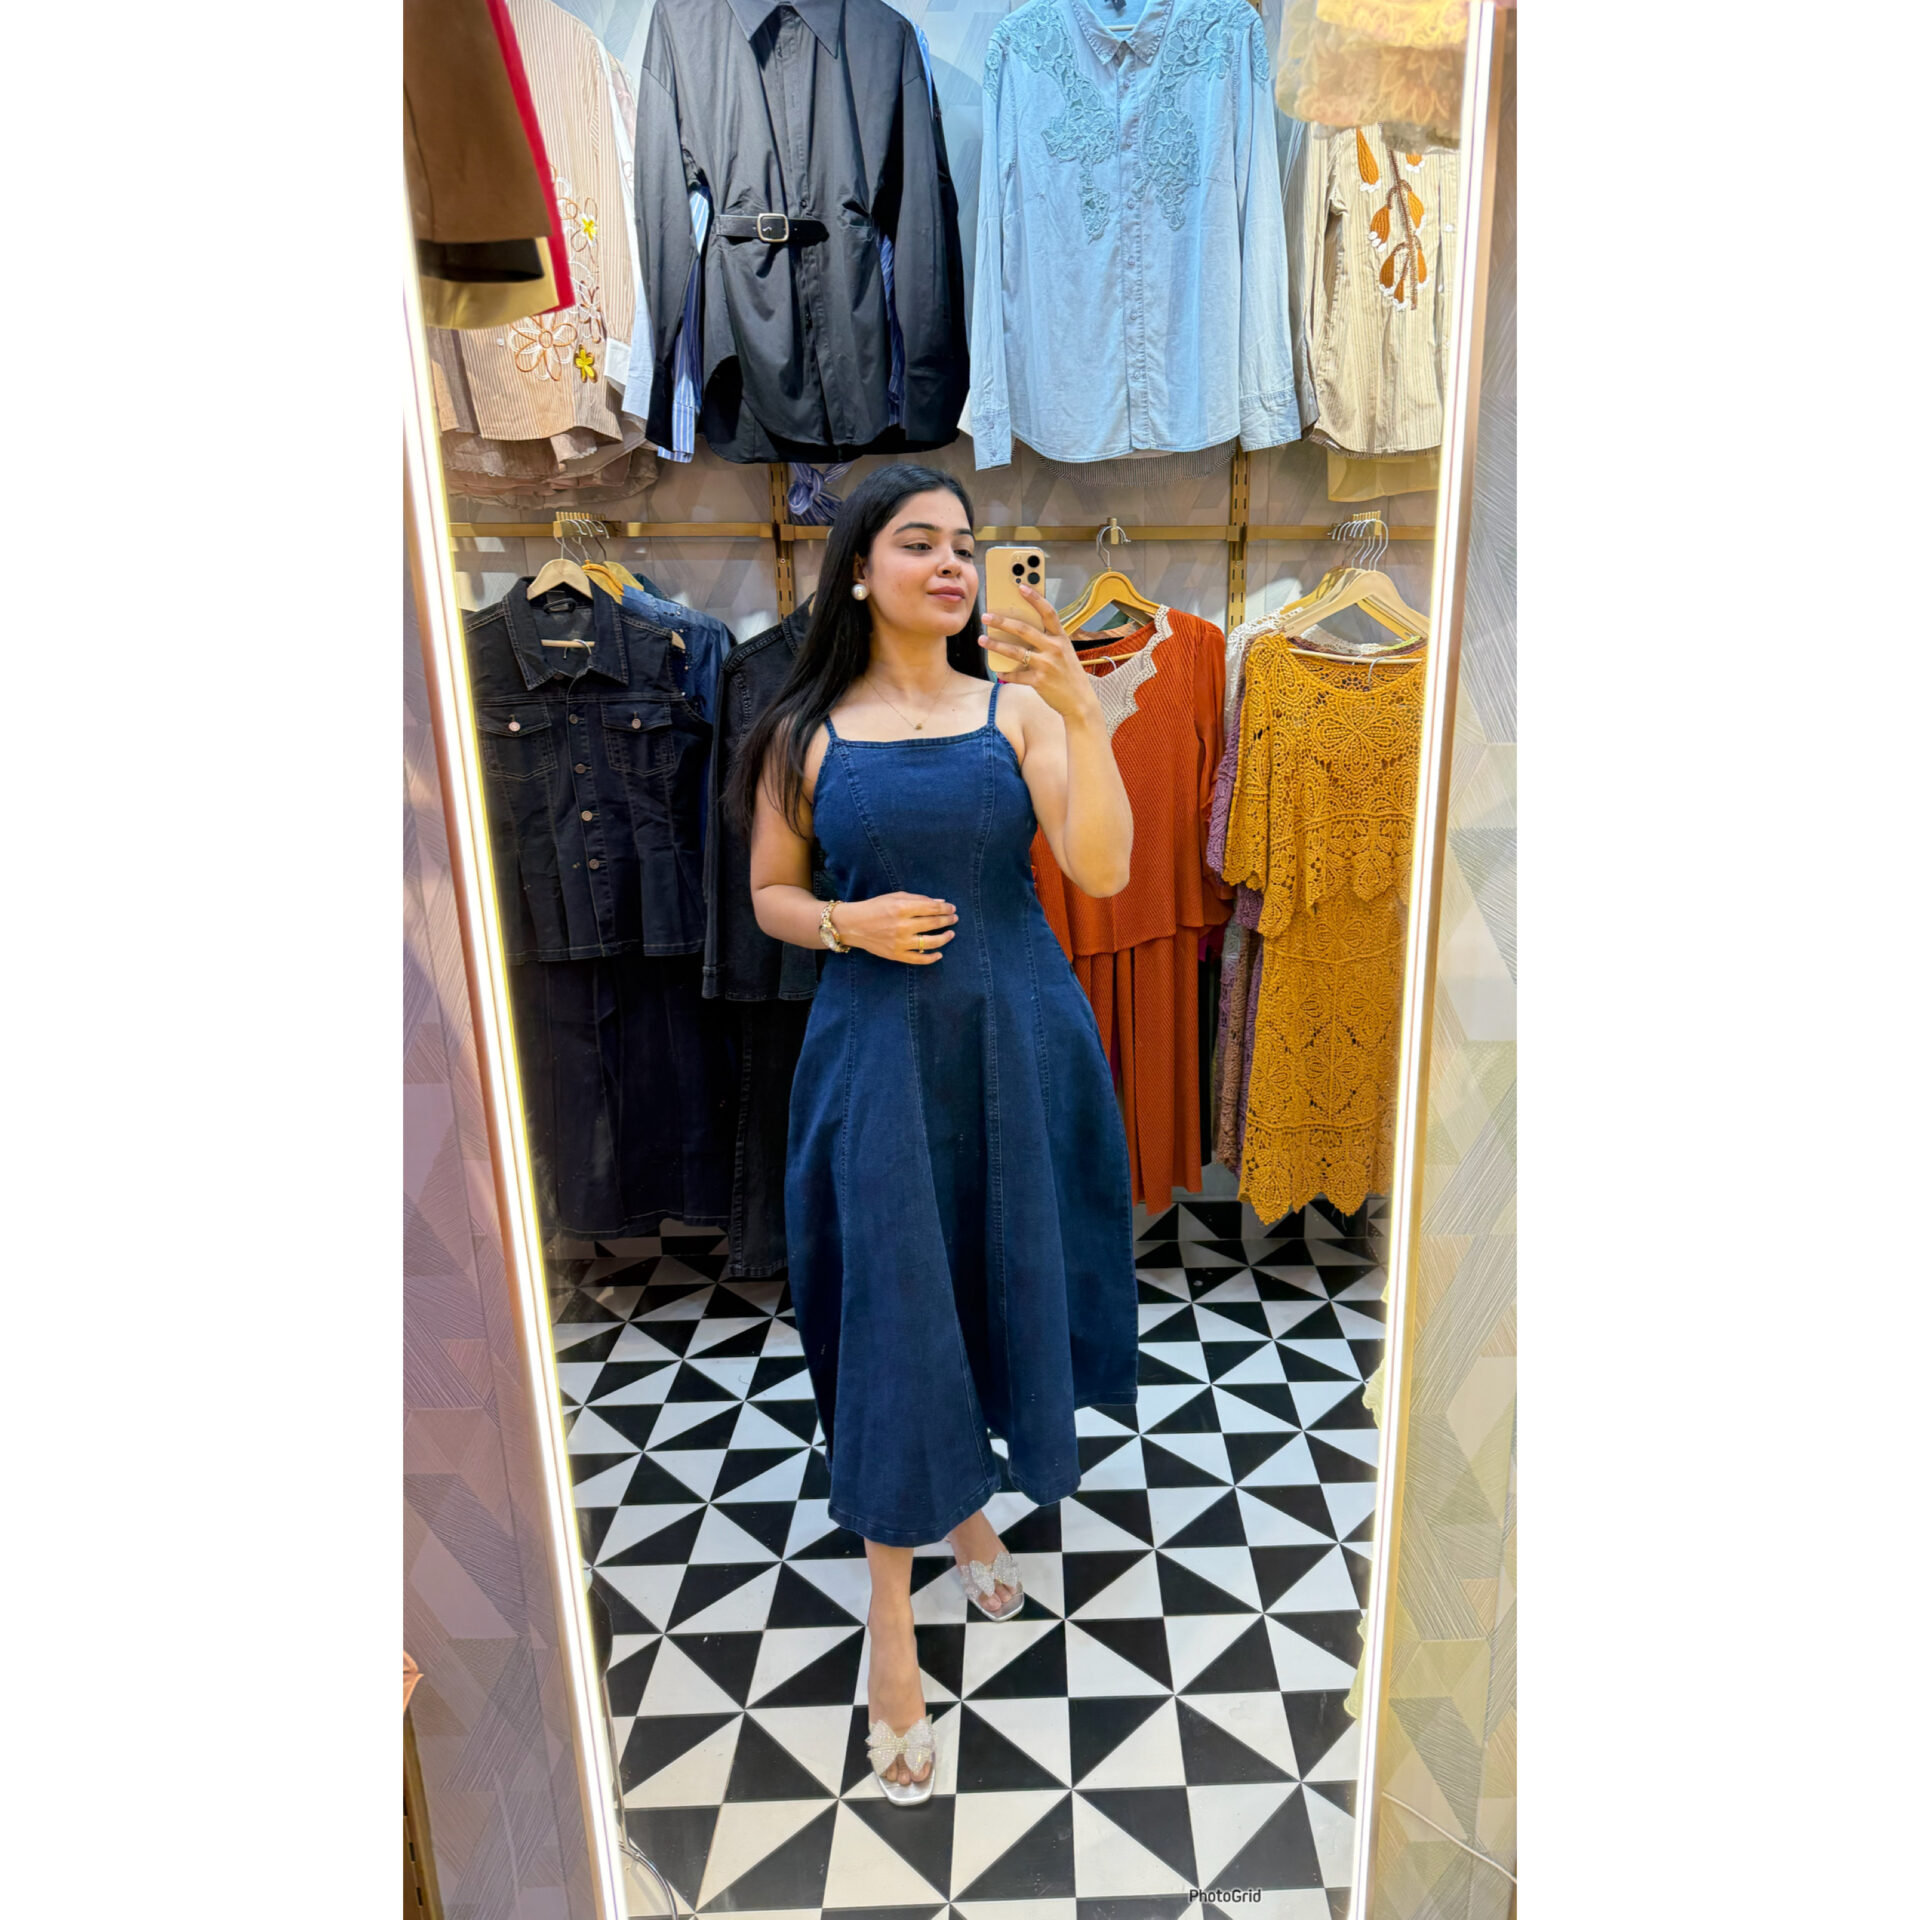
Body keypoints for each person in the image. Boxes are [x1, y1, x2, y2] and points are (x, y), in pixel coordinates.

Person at [728, 463, 1140, 1803]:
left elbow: (1103, 868)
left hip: (1019, 1042)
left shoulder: (1018, 710)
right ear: (858, 571)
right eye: (919, 543)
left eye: (966, 543)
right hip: (876, 1058)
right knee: (897, 1310)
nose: (954, 563)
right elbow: (771, 894)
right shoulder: (799, 733)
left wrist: (1084, 712)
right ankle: (892, 1622)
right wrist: (844, 922)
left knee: (980, 1279)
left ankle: (969, 1510)